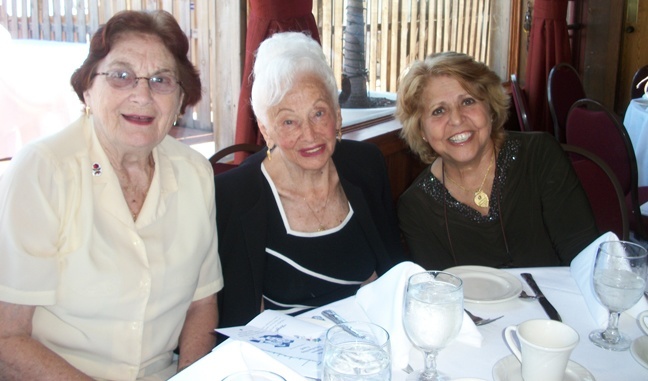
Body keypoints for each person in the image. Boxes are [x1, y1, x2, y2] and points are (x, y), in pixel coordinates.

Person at [0, 10, 223, 380]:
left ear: (181, 99)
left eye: (161, 80)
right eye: (121, 76)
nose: (142, 94)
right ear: (87, 88)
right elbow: (7, 337)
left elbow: (203, 303)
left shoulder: (195, 174)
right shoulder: (43, 171)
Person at [215, 32, 404, 328]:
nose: (310, 134)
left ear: (338, 116)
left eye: (319, 113)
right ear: (266, 130)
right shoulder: (236, 195)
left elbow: (393, 274)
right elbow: (240, 318)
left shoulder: (366, 166)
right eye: (289, 121)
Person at [396, 52, 599, 270]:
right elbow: (442, 292)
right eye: (438, 110)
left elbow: (585, 259)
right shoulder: (415, 207)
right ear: (422, 130)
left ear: (490, 108)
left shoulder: (539, 156)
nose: (456, 119)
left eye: (467, 101)